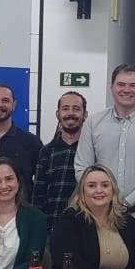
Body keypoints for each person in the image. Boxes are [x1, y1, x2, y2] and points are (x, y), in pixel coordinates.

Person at [74, 64, 135, 221]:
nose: (126, 90)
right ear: (112, 87)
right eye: (121, 84)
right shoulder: (93, 122)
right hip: (99, 214)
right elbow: (82, 168)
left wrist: (126, 203)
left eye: (133, 85)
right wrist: (100, 198)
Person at [50, 165, 135, 269]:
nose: (99, 190)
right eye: (91, 186)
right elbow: (69, 263)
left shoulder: (127, 221)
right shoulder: (69, 220)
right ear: (82, 191)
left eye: (105, 185)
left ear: (113, 189)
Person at [32, 90, 87, 219]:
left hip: (84, 226)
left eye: (76, 109)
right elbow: (38, 195)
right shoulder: (46, 151)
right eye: (65, 109)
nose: (70, 113)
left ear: (85, 114)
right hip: (51, 226)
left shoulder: (92, 150)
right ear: (58, 114)